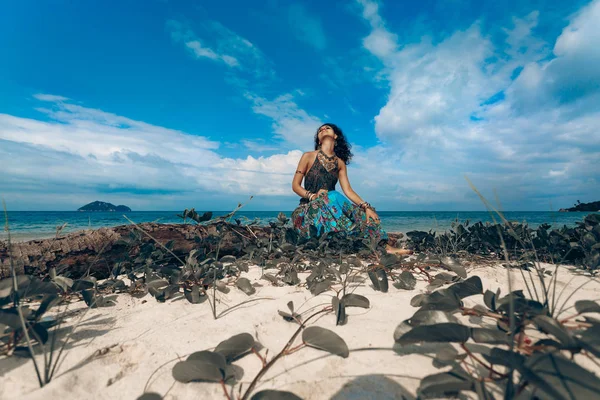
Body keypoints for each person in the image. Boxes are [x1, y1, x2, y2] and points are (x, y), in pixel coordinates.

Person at [291, 123, 412, 255]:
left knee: (364, 212)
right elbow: (295, 186)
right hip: (308, 211)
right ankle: (363, 243)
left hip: (331, 206)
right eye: (320, 130)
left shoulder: (340, 163)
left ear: (336, 136)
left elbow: (348, 190)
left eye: (327, 128)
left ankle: (383, 245)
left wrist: (366, 207)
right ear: (319, 140)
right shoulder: (308, 156)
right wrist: (313, 196)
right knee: (332, 196)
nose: (323, 129)